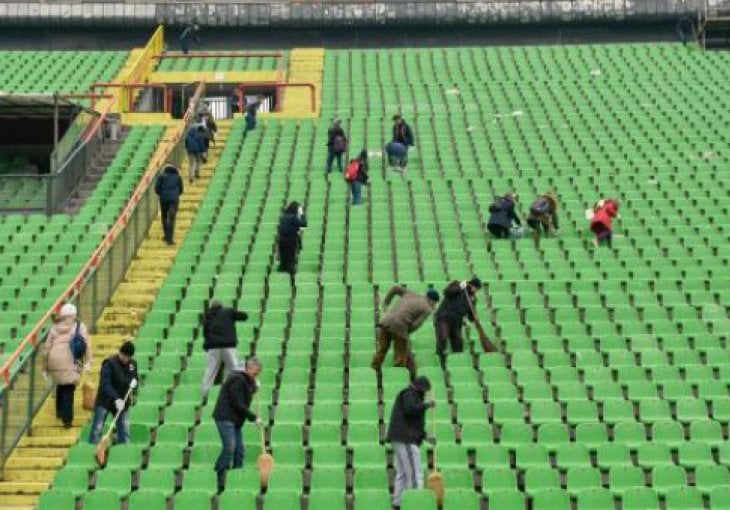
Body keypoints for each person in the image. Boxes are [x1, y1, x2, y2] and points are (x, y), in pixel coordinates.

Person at [213, 357, 263, 491]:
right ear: (248, 369)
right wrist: (254, 418)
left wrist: (254, 386)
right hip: (225, 417)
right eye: (255, 373)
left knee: (239, 451)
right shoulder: (237, 378)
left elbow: (247, 392)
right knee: (230, 447)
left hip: (235, 420)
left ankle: (237, 478)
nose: (256, 376)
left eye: (258, 374)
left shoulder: (247, 380)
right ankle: (218, 475)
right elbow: (238, 403)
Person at [386, 376, 435, 509]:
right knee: (414, 473)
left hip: (400, 438)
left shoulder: (410, 395)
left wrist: (425, 436)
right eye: (425, 391)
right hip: (405, 439)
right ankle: (415, 505)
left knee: (402, 473)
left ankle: (398, 503)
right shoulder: (409, 394)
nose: (425, 394)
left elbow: (413, 422)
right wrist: (427, 405)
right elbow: (410, 409)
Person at [42, 303, 92, 428]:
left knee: (61, 384)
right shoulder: (80, 326)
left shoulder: (55, 327)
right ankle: (67, 419)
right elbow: (87, 345)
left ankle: (59, 411)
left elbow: (46, 349)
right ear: (74, 314)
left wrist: (45, 367)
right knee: (68, 388)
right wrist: (88, 362)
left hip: (54, 359)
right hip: (70, 359)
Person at [371, 286, 440, 375]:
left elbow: (394, 289)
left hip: (386, 321)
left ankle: (373, 370)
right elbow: (416, 325)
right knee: (401, 356)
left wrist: (386, 303)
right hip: (400, 325)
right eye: (434, 303)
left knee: (382, 349)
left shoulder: (411, 294)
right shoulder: (427, 308)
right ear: (432, 301)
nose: (434, 306)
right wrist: (405, 333)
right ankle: (398, 376)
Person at [89, 341, 137, 444]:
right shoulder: (109, 363)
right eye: (124, 356)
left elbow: (134, 377)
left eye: (128, 357)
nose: (126, 359)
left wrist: (135, 383)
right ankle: (93, 450)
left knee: (124, 430)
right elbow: (105, 384)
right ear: (120, 352)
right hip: (105, 401)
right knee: (97, 428)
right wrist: (116, 398)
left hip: (123, 401)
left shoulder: (133, 364)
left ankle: (124, 452)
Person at [201, 300, 249, 399]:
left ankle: (205, 394)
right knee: (234, 369)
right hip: (228, 345)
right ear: (221, 306)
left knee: (211, 371)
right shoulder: (228, 311)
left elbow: (205, 333)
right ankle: (238, 392)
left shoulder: (208, 316)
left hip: (213, 347)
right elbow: (244, 316)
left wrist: (207, 347)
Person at [434, 277, 482, 360]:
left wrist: (475, 317)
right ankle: (440, 360)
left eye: (477, 290)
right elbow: (446, 292)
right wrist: (460, 287)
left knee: (458, 343)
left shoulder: (472, 298)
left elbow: (471, 315)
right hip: (444, 318)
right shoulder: (457, 285)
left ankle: (457, 362)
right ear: (471, 285)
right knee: (443, 338)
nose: (476, 291)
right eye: (476, 288)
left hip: (456, 322)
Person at [277, 202, 307, 286]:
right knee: (291, 262)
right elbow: (303, 225)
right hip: (290, 242)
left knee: (283, 262)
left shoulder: (284, 217)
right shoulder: (293, 217)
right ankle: (291, 283)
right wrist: (302, 214)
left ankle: (280, 282)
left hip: (282, 242)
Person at [154, 164, 184, 246]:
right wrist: (176, 195)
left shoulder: (161, 177)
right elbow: (181, 189)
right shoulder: (178, 177)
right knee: (172, 218)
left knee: (164, 217)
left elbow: (156, 188)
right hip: (174, 200)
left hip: (163, 199)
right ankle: (170, 239)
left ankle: (166, 236)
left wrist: (161, 194)